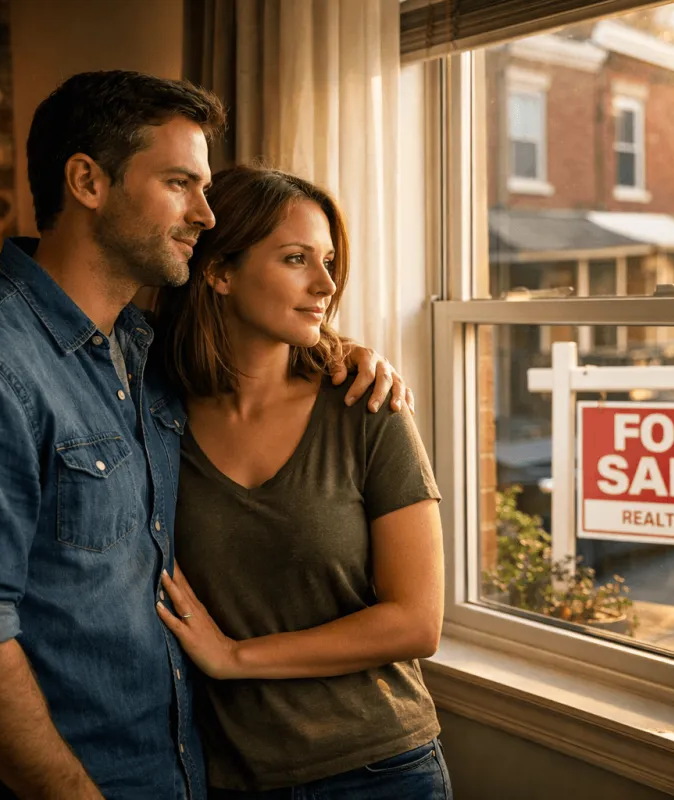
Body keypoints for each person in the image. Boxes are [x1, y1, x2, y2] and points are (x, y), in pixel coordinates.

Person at [0, 72, 409, 800]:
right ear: (87, 181)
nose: (206, 214)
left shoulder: (141, 353)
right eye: (179, 184)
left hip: (179, 773)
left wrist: (342, 354)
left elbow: (248, 346)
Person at [154, 165, 451, 799]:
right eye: (296, 259)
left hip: (380, 769)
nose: (326, 284)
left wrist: (234, 657)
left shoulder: (366, 407)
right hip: (225, 778)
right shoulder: (151, 413)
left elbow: (417, 622)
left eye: (329, 260)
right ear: (219, 272)